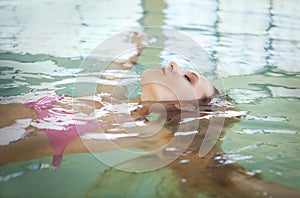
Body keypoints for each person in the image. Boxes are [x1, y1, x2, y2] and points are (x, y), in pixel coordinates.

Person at [0, 31, 299, 197]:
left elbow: (226, 177)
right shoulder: (113, 101)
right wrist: (133, 49)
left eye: (187, 78)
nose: (173, 64)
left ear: (186, 107)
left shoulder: (153, 133)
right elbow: (113, 72)